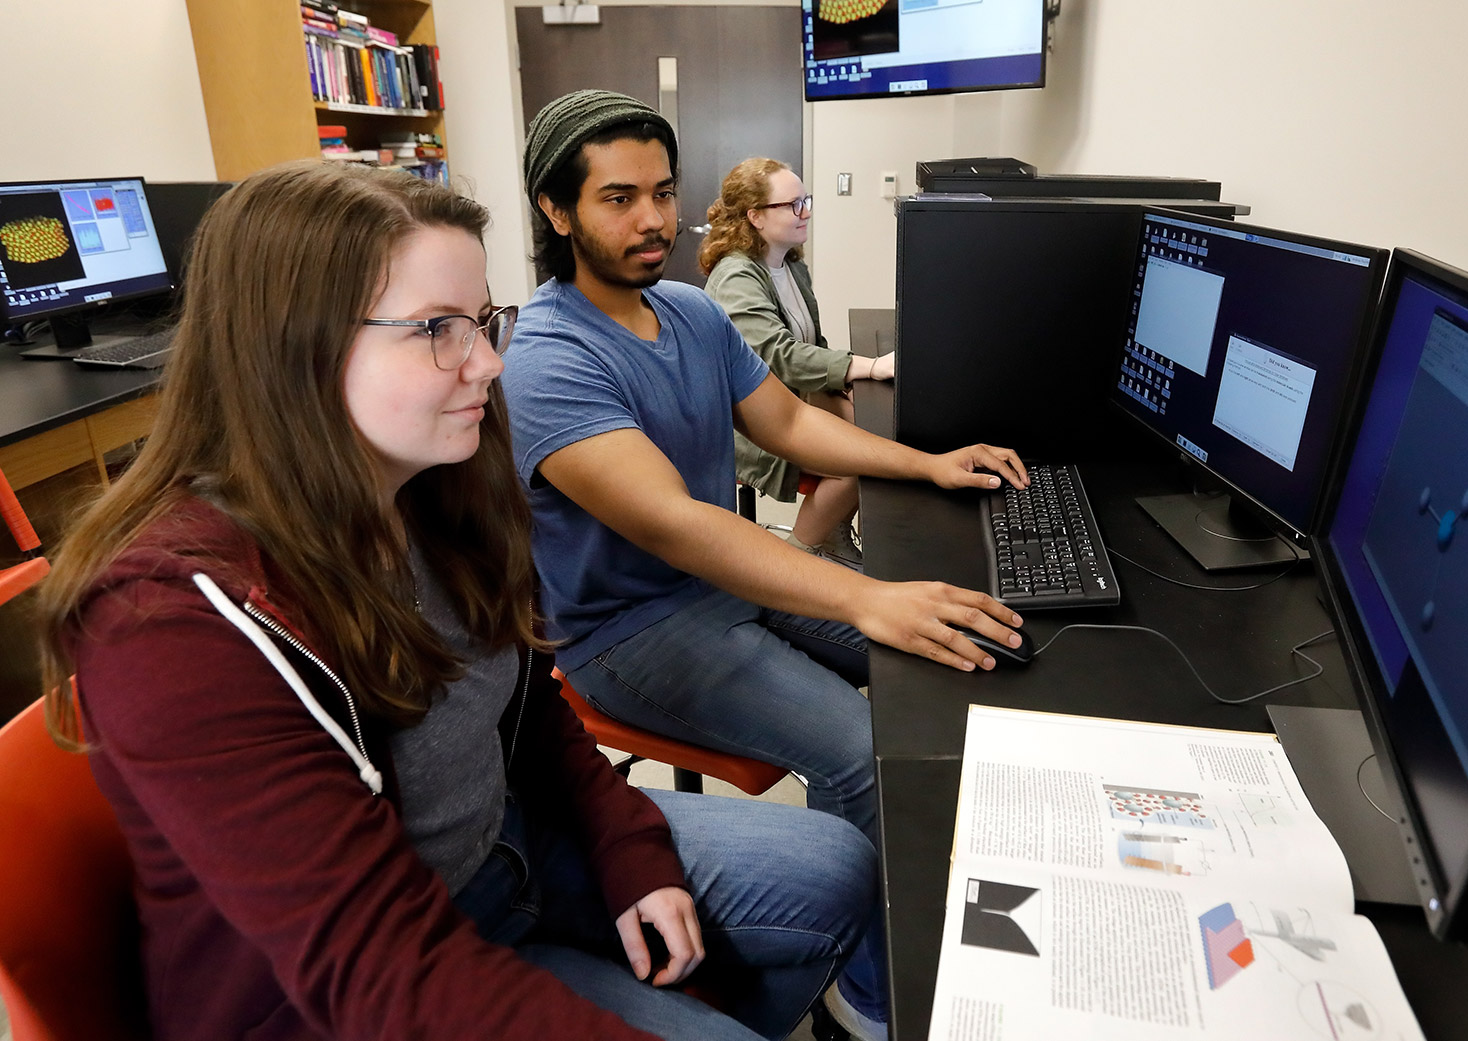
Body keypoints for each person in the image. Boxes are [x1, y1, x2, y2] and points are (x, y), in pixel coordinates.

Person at [35, 161, 875, 1041]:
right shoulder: (174, 619)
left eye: (480, 320)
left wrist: (626, 846)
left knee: (834, 867)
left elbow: (522, 707)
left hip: (505, 848)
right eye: (438, 328)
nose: (488, 361)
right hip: (354, 989)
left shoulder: (433, 481)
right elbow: (380, 976)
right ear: (293, 346)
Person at [505, 90, 1030, 1039]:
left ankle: (942, 892)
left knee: (940, 668)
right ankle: (871, 996)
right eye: (618, 198)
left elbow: (786, 422)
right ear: (556, 210)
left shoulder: (692, 312)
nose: (655, 219)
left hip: (726, 582)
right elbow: (676, 523)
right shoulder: (545, 357)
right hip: (631, 632)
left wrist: (930, 464)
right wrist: (868, 597)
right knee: (861, 751)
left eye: (663, 193)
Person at [699, 157, 894, 567]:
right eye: (793, 205)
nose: (805, 212)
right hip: (748, 418)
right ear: (754, 216)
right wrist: (869, 367)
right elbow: (779, 355)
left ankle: (832, 534)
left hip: (790, 397)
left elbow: (811, 342)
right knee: (860, 461)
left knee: (880, 429)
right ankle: (801, 556)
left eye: (806, 200)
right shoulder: (737, 276)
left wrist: (843, 379)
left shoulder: (789, 265)